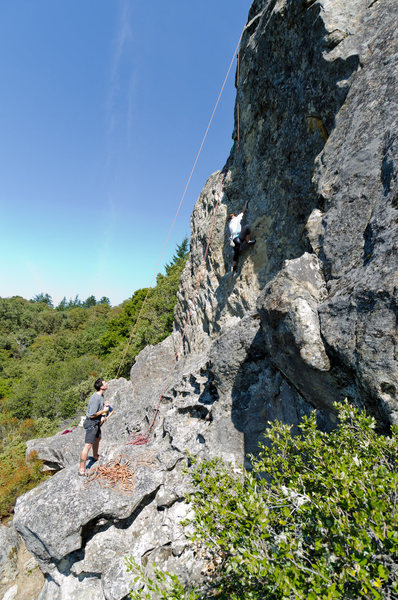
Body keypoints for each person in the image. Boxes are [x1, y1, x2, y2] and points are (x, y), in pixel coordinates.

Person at [79, 378, 110, 476]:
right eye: (105, 383)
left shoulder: (100, 396)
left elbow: (98, 408)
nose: (107, 383)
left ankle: (95, 456)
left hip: (96, 423)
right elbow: (92, 414)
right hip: (91, 423)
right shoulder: (96, 398)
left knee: (98, 438)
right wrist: (104, 411)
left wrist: (104, 405)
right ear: (101, 387)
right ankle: (82, 468)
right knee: (88, 445)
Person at [228, 200, 256, 272]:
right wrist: (246, 203)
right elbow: (243, 211)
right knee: (247, 227)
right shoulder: (236, 219)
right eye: (234, 215)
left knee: (236, 253)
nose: (235, 215)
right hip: (238, 239)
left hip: (234, 241)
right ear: (233, 216)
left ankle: (234, 266)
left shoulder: (230, 224)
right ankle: (248, 241)